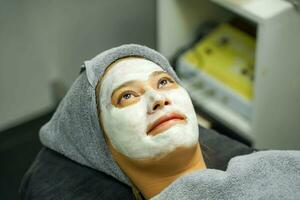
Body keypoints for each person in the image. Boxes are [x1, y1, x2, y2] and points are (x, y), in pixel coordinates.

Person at [21, 44, 300, 200]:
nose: (157, 98)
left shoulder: (278, 168)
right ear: (102, 143)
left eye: (164, 82)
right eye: (127, 96)